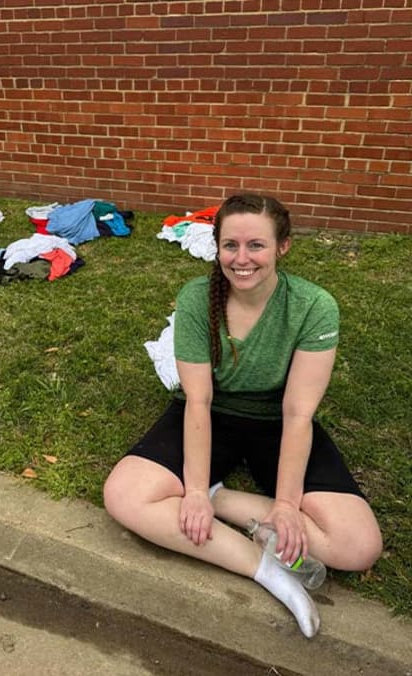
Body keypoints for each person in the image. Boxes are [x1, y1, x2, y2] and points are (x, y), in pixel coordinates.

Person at [103, 193, 382, 639]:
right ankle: (268, 572)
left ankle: (221, 499)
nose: (242, 258)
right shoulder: (197, 299)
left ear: (282, 247)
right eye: (230, 245)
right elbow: (198, 400)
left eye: (256, 245)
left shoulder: (314, 306)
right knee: (123, 495)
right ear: (217, 248)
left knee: (358, 545)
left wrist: (287, 507)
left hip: (278, 421)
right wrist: (190, 489)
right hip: (210, 412)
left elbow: (297, 412)